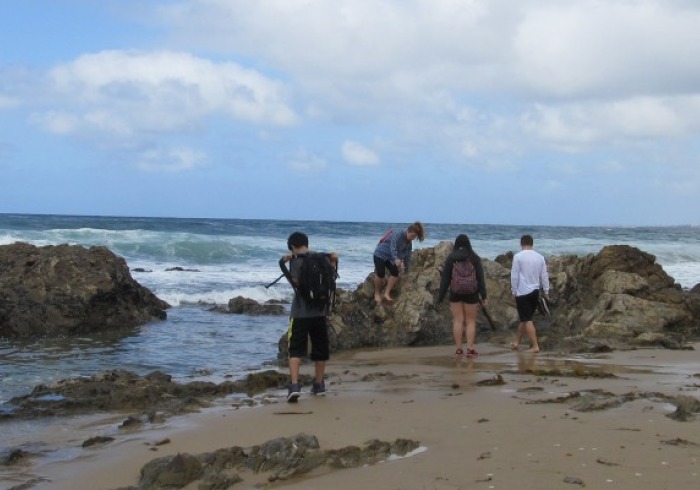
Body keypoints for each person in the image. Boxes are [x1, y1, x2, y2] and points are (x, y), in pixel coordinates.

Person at [280, 231, 338, 402]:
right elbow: (332, 277)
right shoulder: (322, 259)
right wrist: (333, 260)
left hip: (300, 313)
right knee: (320, 349)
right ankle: (319, 384)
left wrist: (284, 261)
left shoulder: (295, 262)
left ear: (292, 246)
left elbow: (295, 283)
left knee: (295, 350)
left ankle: (295, 385)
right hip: (320, 312)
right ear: (307, 243)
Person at [438, 234, 488, 360]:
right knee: (471, 321)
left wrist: (441, 296)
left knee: (458, 321)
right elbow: (480, 279)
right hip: (471, 294)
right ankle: (470, 349)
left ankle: (459, 350)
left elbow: (445, 279)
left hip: (455, 292)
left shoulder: (451, 258)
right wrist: (484, 296)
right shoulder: (475, 258)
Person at [510, 234, 550, 353]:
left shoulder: (518, 257)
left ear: (521, 243)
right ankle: (517, 342)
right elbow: (544, 276)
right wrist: (547, 291)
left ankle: (535, 346)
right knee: (525, 318)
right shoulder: (540, 257)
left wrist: (513, 290)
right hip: (535, 291)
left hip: (522, 292)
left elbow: (514, 275)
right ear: (532, 244)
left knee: (527, 319)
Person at [372, 221, 425, 303]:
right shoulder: (398, 234)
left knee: (395, 273)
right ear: (407, 232)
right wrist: (396, 259)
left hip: (389, 258)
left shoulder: (409, 244)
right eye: (411, 236)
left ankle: (386, 293)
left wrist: (407, 268)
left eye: (414, 237)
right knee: (381, 273)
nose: (412, 238)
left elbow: (407, 256)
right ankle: (377, 293)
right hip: (380, 253)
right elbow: (392, 247)